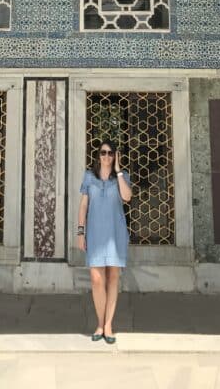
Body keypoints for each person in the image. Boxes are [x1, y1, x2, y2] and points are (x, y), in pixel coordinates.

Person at [76, 140, 133, 344]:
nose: (106, 156)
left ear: (115, 156)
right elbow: (83, 206)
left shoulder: (122, 177)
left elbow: (127, 197)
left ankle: (108, 325)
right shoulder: (89, 177)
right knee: (96, 279)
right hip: (95, 233)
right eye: (103, 153)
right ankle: (99, 323)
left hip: (115, 233)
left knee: (112, 279)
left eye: (110, 153)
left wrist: (117, 171)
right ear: (98, 155)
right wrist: (80, 232)